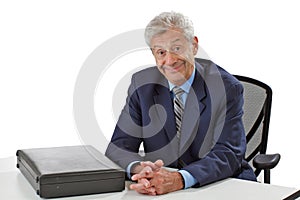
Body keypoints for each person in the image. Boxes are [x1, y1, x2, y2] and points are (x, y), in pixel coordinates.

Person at [105, 11, 256, 195]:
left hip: (221, 183)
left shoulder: (225, 87)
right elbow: (118, 148)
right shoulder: (142, 85)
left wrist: (179, 179)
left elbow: (228, 154)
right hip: (162, 189)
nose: (169, 60)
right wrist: (138, 169)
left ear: (193, 46)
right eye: (161, 52)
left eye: (177, 48)